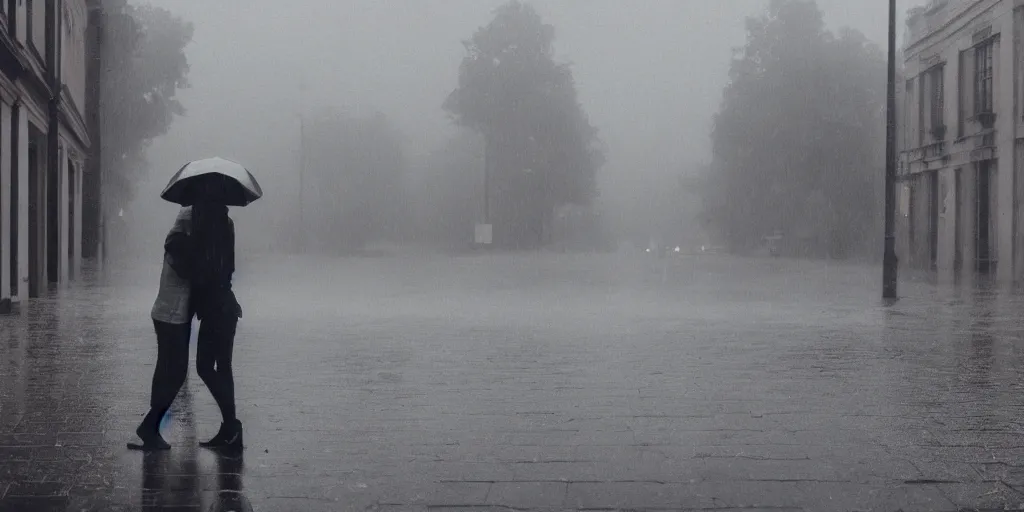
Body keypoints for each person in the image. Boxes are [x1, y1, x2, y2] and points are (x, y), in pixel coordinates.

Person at [130, 207, 195, 451]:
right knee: (176, 373)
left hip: (170, 314)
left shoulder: (178, 242)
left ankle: (151, 426)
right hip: (171, 316)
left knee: (167, 370)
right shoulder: (179, 244)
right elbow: (188, 272)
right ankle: (150, 426)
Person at [190, 200, 244, 451]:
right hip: (224, 306)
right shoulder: (225, 225)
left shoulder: (212, 230)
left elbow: (209, 271)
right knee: (221, 366)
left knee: (206, 365)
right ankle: (230, 428)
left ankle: (231, 425)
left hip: (218, 308)